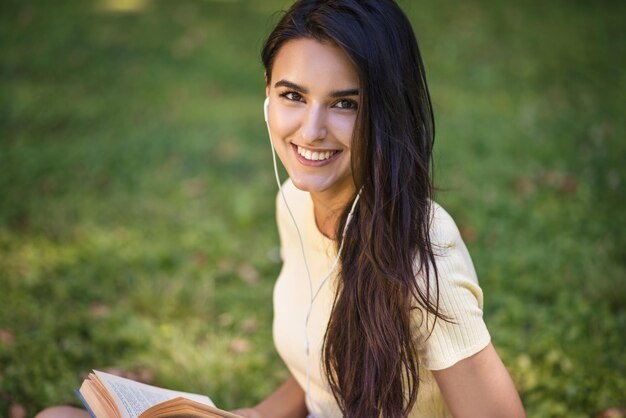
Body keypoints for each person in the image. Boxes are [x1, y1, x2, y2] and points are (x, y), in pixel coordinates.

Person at [38, 1, 525, 417]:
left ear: (387, 114)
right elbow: (324, 366)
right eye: (293, 95)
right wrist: (252, 414)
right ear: (267, 99)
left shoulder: (423, 248)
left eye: (345, 104)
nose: (311, 131)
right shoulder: (294, 201)